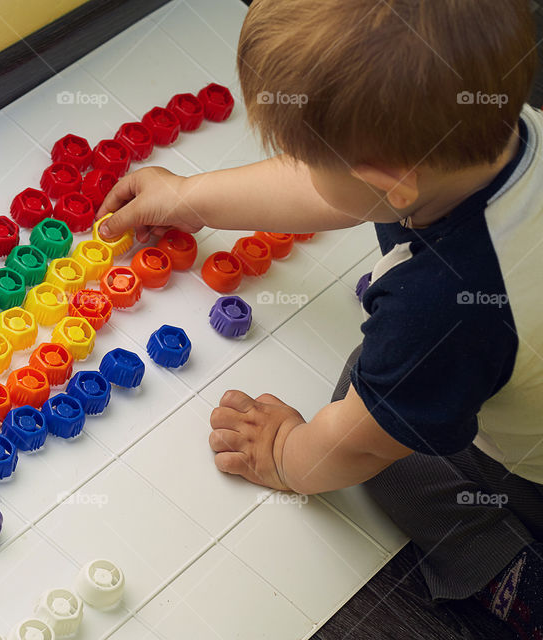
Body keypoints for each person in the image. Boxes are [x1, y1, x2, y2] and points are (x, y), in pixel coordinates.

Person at [98, 0, 543, 635]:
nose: (303, 168)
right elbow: (332, 191)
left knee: (382, 440)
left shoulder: (445, 303)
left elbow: (358, 445)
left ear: (392, 181)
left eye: (310, 156)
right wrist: (191, 197)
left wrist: (285, 456)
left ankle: (505, 572)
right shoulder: (491, 133)